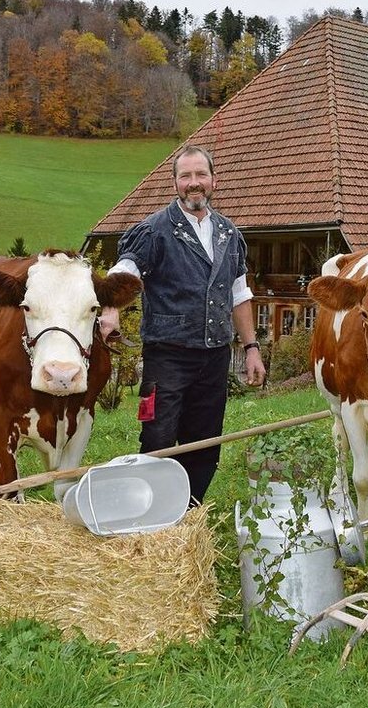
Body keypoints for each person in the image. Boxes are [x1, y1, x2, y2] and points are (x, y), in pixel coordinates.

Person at [105, 145, 266, 505]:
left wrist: (251, 347)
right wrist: (112, 306)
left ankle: (189, 510)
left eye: (200, 175)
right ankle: (152, 510)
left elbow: (239, 295)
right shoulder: (153, 231)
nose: (194, 183)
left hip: (214, 357)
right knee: (158, 436)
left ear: (213, 180)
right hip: (167, 358)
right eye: (186, 176)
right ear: (175, 182)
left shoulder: (228, 233)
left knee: (206, 440)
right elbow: (126, 269)